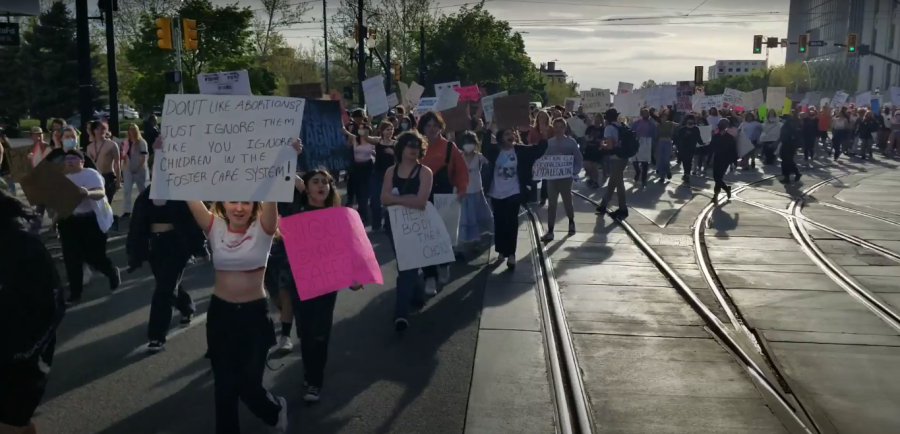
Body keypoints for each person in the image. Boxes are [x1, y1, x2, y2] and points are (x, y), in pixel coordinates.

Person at [158, 134, 301, 434]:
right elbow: (186, 190)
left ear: (254, 205)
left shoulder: (265, 228)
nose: (239, 207)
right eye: (233, 200)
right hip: (220, 315)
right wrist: (164, 154)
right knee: (223, 388)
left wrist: (287, 154)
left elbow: (274, 186)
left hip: (253, 317)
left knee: (248, 386)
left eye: (246, 202)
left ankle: (274, 409)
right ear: (223, 202)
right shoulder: (213, 225)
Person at [271, 169, 363, 402]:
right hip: (299, 283)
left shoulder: (337, 216)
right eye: (316, 181)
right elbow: (281, 246)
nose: (321, 186)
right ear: (307, 187)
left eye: (326, 182)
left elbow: (347, 248)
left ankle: (315, 382)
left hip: (326, 284)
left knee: (320, 333)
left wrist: (353, 276)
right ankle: (309, 370)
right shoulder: (294, 213)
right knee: (305, 332)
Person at [0, 190, 66, 434]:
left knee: (10, 423)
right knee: (17, 424)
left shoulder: (22, 245)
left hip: (21, 361)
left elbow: (52, 306)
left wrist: (23, 353)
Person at [126, 185, 207, 352]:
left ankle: (156, 335)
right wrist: (135, 253)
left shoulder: (180, 192)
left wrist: (200, 248)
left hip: (177, 245)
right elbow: (137, 225)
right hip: (155, 246)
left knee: (165, 289)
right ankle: (186, 307)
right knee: (167, 283)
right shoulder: (145, 196)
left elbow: (192, 222)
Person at [380, 132, 434, 331]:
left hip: (416, 225)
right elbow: (383, 199)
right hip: (393, 225)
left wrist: (395, 199)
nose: (413, 149)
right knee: (408, 265)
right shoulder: (390, 171)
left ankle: (400, 314)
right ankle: (417, 292)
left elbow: (421, 202)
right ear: (401, 148)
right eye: (409, 145)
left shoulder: (425, 172)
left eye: (417, 146)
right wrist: (406, 198)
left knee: (407, 267)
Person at [57, 149, 120, 304]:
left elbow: (100, 192)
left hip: (90, 221)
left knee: (95, 257)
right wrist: (55, 220)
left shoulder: (90, 174)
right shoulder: (61, 179)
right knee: (72, 259)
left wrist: (87, 193)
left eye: (73, 158)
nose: (69, 161)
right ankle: (75, 294)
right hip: (69, 222)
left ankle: (111, 272)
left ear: (82, 161)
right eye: (67, 159)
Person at [482, 125, 548, 268]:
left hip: (514, 192)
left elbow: (538, 151)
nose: (510, 135)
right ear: (500, 137)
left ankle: (511, 254)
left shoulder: (520, 150)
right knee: (499, 223)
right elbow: (484, 147)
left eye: (512, 133)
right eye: (507, 133)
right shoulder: (495, 151)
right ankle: (501, 250)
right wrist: (488, 129)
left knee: (511, 223)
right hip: (496, 193)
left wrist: (541, 135)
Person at [417, 111, 468, 295]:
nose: (432, 129)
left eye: (435, 125)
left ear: (440, 127)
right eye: (428, 125)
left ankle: (444, 264)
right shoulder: (415, 147)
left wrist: (462, 189)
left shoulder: (449, 147)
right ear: (422, 127)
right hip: (422, 198)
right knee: (425, 238)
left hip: (444, 197)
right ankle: (429, 277)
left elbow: (461, 170)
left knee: (443, 236)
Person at [541, 117, 581, 242]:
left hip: (565, 178)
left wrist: (574, 171)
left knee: (567, 201)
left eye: (561, 127)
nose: (558, 130)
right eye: (556, 127)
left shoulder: (571, 142)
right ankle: (551, 230)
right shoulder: (549, 142)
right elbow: (543, 157)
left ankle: (571, 222)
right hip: (552, 178)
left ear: (565, 128)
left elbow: (578, 158)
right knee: (551, 204)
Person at [458, 131, 493, 253]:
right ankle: (464, 242)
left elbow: (490, 163)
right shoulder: (459, 156)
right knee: (466, 216)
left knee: (478, 215)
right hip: (464, 191)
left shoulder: (479, 157)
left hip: (477, 190)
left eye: (470, 142)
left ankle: (477, 240)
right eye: (466, 143)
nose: (468, 145)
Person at [86, 121, 121, 231]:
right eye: (97, 129)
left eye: (102, 128)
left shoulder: (112, 145)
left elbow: (117, 163)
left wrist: (119, 180)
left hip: (109, 176)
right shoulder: (90, 147)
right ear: (93, 131)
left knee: (107, 202)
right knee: (97, 204)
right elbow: (88, 165)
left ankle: (109, 224)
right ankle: (102, 225)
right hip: (96, 177)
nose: (100, 131)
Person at [595, 109, 629, 219]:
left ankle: (623, 209)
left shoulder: (609, 128)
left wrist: (602, 145)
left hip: (616, 158)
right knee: (613, 182)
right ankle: (603, 205)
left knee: (619, 184)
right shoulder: (622, 125)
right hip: (624, 157)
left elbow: (610, 146)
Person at [364, 121, 396, 230]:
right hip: (377, 174)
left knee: (390, 200)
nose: (390, 131)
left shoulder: (395, 143)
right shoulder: (378, 141)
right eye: (388, 129)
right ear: (382, 131)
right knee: (375, 200)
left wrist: (393, 153)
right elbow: (366, 137)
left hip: (390, 175)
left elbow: (401, 158)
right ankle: (376, 224)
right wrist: (368, 120)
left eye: (391, 129)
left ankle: (389, 224)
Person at [120, 124, 149, 219]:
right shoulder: (126, 142)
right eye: (130, 129)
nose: (131, 131)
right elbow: (124, 154)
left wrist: (137, 167)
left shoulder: (142, 142)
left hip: (139, 169)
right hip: (128, 169)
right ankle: (127, 210)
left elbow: (143, 156)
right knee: (127, 190)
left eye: (133, 129)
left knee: (142, 190)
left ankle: (146, 209)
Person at [709, 119, 736, 202]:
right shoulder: (715, 136)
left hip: (725, 159)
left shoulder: (730, 137)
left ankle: (715, 196)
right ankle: (726, 189)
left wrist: (734, 162)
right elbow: (711, 148)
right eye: (720, 124)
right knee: (716, 177)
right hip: (717, 158)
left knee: (718, 178)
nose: (720, 125)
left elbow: (733, 150)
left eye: (722, 124)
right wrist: (708, 159)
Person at [630, 108, 656, 187]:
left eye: (648, 113)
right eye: (645, 113)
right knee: (635, 161)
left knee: (645, 164)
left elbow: (654, 135)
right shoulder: (636, 124)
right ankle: (638, 171)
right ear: (641, 114)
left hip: (646, 146)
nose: (647, 114)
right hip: (637, 144)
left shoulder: (652, 124)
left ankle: (644, 180)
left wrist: (653, 145)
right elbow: (631, 132)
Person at [674, 115, 704, 183]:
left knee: (689, 161)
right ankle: (686, 173)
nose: (691, 121)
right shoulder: (683, 129)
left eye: (692, 120)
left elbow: (698, 138)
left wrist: (702, 143)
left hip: (691, 148)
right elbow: (678, 139)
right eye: (689, 120)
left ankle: (687, 174)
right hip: (683, 149)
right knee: (685, 162)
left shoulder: (696, 129)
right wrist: (677, 147)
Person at [779, 115, 802, 183]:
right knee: (789, 161)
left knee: (786, 162)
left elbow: (784, 137)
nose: (782, 120)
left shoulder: (787, 126)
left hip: (788, 146)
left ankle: (787, 177)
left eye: (783, 119)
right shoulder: (790, 125)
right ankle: (796, 173)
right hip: (789, 146)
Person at [655, 110, 676, 181]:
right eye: (662, 117)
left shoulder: (670, 124)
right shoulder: (658, 125)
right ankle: (662, 176)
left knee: (666, 160)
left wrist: (684, 118)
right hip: (660, 142)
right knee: (660, 160)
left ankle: (668, 170)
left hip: (668, 142)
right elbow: (656, 135)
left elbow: (678, 125)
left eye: (665, 117)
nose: (664, 118)